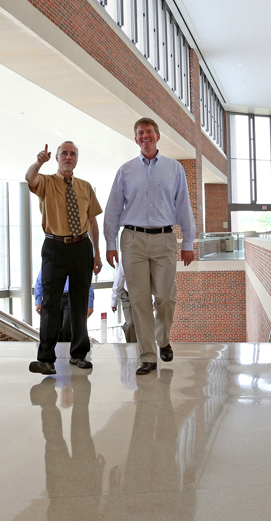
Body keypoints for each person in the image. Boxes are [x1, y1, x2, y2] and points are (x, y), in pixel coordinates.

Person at [104, 118, 195, 375]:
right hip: (132, 240)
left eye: (149, 132)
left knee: (165, 297)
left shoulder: (174, 169)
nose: (145, 136)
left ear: (158, 136)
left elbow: (183, 206)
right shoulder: (126, 170)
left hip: (165, 239)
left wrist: (188, 240)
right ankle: (148, 356)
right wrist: (111, 243)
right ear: (136, 139)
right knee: (139, 301)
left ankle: (163, 339)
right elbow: (113, 209)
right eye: (140, 133)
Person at [26, 141, 102, 374]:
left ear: (77, 159)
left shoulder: (85, 186)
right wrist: (38, 162)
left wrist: (97, 252)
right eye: (64, 154)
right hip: (54, 247)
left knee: (79, 303)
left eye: (72, 154)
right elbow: (30, 178)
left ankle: (79, 354)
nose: (68, 157)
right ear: (57, 158)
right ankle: (46, 358)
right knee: (50, 303)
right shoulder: (46, 182)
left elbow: (92, 222)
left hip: (81, 247)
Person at [35, 269, 95, 342]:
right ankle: (58, 351)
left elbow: (86, 282)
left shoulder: (75, 261)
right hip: (54, 297)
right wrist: (38, 301)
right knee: (54, 328)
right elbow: (40, 280)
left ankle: (67, 350)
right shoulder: (52, 260)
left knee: (67, 327)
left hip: (71, 297)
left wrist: (90, 303)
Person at [110, 260, 136, 343]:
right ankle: (132, 347)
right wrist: (114, 300)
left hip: (143, 296)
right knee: (130, 324)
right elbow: (119, 278)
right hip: (127, 296)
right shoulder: (125, 256)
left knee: (142, 324)